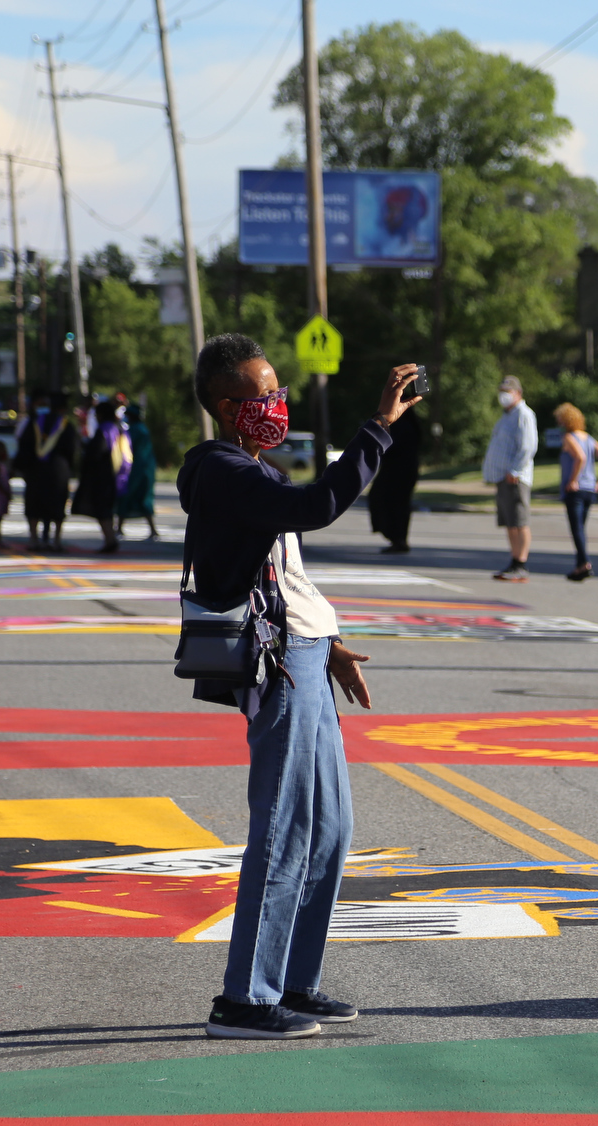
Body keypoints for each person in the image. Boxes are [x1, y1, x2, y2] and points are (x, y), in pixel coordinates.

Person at [176, 332, 421, 1040]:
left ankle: (291, 979)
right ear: (228, 406)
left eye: (279, 390)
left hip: (308, 650)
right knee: (282, 827)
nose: (277, 403)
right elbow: (319, 507)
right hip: (276, 662)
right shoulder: (223, 469)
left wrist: (332, 640)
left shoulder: (255, 468)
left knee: (330, 829)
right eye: (265, 393)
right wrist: (377, 429)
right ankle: (244, 998)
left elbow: (284, 570)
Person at [482, 375, 538, 581]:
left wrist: (514, 471)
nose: (503, 396)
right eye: (502, 392)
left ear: (518, 393)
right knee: (510, 522)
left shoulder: (523, 414)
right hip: (503, 478)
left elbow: (528, 445)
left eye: (508, 392)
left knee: (519, 520)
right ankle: (514, 561)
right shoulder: (507, 415)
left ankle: (521, 563)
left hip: (515, 477)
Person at [556, 403, 598, 581]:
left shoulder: (569, 438)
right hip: (590, 489)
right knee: (580, 528)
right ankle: (579, 566)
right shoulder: (588, 438)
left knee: (577, 529)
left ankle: (584, 563)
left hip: (576, 490)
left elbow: (580, 457)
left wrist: (572, 480)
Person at [15, 391, 79, 553]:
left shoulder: (35, 422)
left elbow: (24, 445)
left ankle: (34, 540)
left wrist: (23, 467)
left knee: (34, 504)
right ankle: (56, 541)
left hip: (36, 469)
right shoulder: (65, 424)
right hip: (58, 470)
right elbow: (72, 449)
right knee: (57, 504)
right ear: (63, 408)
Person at [73, 398, 127, 553]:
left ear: (101, 414)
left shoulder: (105, 429)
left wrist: (86, 449)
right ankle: (110, 539)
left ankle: (110, 540)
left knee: (103, 510)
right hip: (115, 475)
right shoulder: (118, 428)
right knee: (107, 509)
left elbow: (98, 452)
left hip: (103, 476)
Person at [368, 403, 422, 554]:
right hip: (401, 470)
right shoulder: (410, 423)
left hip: (398, 471)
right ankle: (397, 538)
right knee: (396, 504)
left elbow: (392, 446)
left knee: (395, 504)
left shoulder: (403, 425)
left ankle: (398, 539)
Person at [116, 395, 160, 542]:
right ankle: (153, 530)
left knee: (126, 497)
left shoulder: (133, 431)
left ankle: (119, 528)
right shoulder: (143, 429)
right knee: (145, 499)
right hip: (147, 469)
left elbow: (127, 451)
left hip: (135, 469)